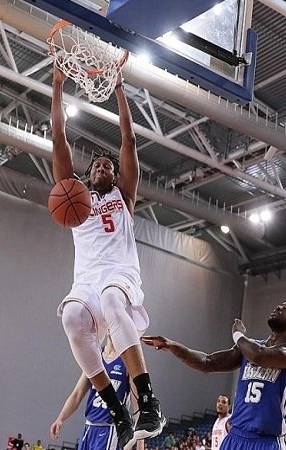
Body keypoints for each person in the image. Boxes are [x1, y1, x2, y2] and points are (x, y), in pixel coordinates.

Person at [51, 60, 165, 450]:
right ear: (87, 175)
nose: (102, 167)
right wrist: (56, 85)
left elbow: (129, 141)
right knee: (70, 317)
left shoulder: (124, 198)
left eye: (107, 166)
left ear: (115, 176)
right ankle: (117, 412)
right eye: (96, 164)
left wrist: (119, 89)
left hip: (120, 274)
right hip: (86, 280)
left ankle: (147, 403)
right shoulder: (76, 200)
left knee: (114, 300)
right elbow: (58, 136)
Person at [142, 300, 286, 450]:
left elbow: (259, 356)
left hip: (266, 441)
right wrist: (173, 347)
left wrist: (238, 334)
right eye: (280, 304)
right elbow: (208, 362)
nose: (279, 306)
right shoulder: (248, 347)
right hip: (234, 439)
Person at [50, 352, 143, 450]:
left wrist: (141, 441)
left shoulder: (127, 361)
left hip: (111, 428)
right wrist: (60, 419)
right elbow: (77, 394)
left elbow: (137, 405)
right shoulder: (95, 355)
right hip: (89, 427)